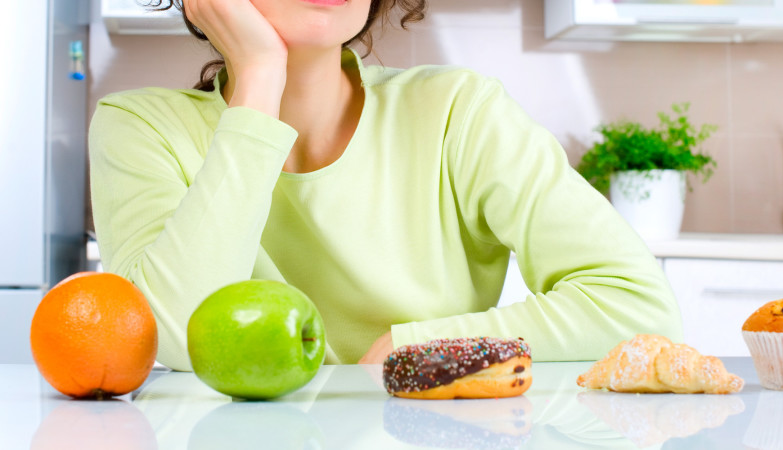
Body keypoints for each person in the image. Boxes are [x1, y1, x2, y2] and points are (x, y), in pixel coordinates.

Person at [89, 0, 682, 371]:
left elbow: (637, 307)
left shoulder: (456, 111)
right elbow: (168, 338)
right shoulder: (141, 126)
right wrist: (261, 79)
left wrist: (416, 345)